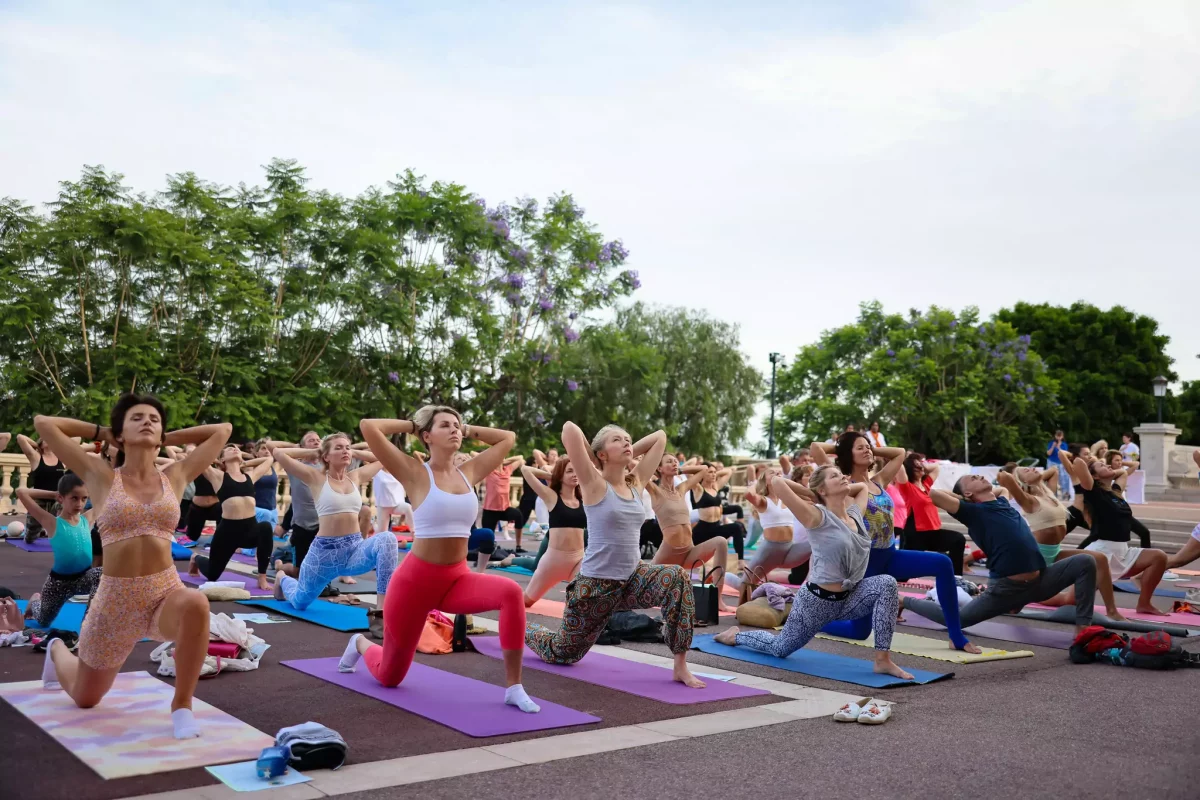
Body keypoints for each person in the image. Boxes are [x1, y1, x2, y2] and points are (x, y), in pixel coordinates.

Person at [34, 395, 228, 738]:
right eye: (136, 417)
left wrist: (166, 437)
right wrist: (104, 431)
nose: (147, 421)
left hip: (164, 592)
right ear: (120, 433)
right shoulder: (101, 476)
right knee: (85, 698)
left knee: (197, 602)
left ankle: (182, 705)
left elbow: (221, 430)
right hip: (114, 602)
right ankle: (56, 650)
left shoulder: (177, 475)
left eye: (154, 418)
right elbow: (44, 424)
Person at [341, 408, 538, 712]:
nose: (454, 430)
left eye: (457, 426)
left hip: (456, 580)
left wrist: (468, 428)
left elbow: (507, 439)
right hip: (413, 586)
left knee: (511, 593)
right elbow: (369, 426)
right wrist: (412, 425)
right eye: (445, 426)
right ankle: (360, 644)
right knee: (390, 677)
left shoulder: (468, 471)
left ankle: (514, 687)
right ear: (427, 437)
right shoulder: (414, 472)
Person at [526, 423, 704, 688]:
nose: (626, 442)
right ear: (601, 454)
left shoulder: (636, 482)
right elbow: (569, 430)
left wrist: (626, 451)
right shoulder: (593, 483)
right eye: (617, 440)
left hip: (633, 579)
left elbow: (660, 437)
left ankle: (680, 665)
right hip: (595, 587)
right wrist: (596, 459)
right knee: (564, 653)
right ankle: (525, 628)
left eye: (628, 439)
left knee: (676, 577)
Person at [714, 468, 913, 680]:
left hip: (848, 599)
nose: (844, 477)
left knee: (887, 583)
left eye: (842, 474)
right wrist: (813, 494)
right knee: (780, 648)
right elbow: (777, 483)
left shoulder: (855, 514)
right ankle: (736, 636)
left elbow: (862, 487)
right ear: (822, 489)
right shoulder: (815, 516)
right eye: (835, 476)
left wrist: (832, 488)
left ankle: (882, 660)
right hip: (815, 604)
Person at [816, 435, 974, 652]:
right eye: (860, 448)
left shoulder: (878, 481)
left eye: (868, 447)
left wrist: (870, 448)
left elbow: (899, 452)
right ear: (847, 454)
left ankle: (956, 636)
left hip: (890, 555)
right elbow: (816, 448)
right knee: (860, 632)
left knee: (943, 563)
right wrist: (842, 447)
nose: (867, 450)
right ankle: (816, 619)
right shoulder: (844, 485)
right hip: (866, 565)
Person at [902, 474, 1098, 636]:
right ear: (968, 493)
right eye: (972, 478)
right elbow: (934, 494)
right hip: (1007, 589)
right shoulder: (971, 511)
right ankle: (904, 601)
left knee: (1086, 561)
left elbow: (1002, 490)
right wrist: (964, 498)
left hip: (1040, 581)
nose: (979, 476)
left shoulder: (1002, 501)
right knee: (958, 620)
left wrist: (978, 492)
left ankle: (1083, 628)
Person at [269, 435, 395, 609]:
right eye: (338, 448)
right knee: (299, 602)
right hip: (323, 554)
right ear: (326, 457)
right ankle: (282, 578)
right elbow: (277, 451)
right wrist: (316, 451)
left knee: (388, 538)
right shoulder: (315, 477)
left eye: (347, 447)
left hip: (354, 551)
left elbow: (385, 457)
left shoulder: (355, 476)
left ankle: (382, 610)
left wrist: (354, 451)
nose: (345, 450)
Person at [997, 467, 1124, 620]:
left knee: (1100, 559)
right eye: (1026, 470)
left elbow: (1054, 471)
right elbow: (1003, 477)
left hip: (1054, 552)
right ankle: (1015, 598)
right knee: (1016, 604)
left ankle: (1112, 611)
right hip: (1036, 557)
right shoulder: (1027, 498)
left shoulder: (1048, 494)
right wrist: (1020, 480)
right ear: (1022, 481)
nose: (1032, 468)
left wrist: (1035, 478)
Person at [1072, 455, 1168, 615]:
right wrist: (1091, 459)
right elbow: (1077, 463)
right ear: (1094, 476)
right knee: (1069, 601)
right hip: (1101, 552)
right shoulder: (1093, 491)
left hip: (1123, 551)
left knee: (1159, 556)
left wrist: (1106, 469)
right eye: (1103, 466)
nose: (1109, 466)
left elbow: (1123, 474)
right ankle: (1033, 597)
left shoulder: (1116, 492)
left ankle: (1144, 604)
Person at [647, 454, 732, 612]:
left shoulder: (681, 489)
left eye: (675, 461)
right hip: (668, 555)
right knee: (644, 589)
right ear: (659, 468)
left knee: (721, 541)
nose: (674, 463)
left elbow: (703, 469)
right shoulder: (654, 490)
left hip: (689, 553)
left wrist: (678, 469)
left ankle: (718, 599)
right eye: (669, 462)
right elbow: (636, 470)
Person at [186, 447, 277, 591]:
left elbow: (269, 459)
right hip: (227, 534)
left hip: (250, 532)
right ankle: (196, 558)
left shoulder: (250, 476)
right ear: (222, 458)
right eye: (229, 448)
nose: (235, 449)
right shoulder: (217, 476)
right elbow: (195, 455)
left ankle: (262, 578)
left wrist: (244, 463)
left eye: (237, 449)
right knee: (212, 575)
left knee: (265, 527)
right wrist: (216, 460)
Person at [18, 476, 103, 628]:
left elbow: (109, 497)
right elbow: (21, 491)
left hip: (83, 578)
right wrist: (54, 494)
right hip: (58, 583)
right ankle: (35, 602)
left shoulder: (87, 519)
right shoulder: (51, 522)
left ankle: (88, 624)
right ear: (61, 498)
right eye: (74, 498)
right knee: (44, 621)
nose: (80, 504)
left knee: (101, 574)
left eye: (84, 499)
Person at [517, 458, 587, 606]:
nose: (575, 474)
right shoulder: (551, 496)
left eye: (576, 471)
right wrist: (554, 476)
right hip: (553, 562)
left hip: (579, 560)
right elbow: (525, 470)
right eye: (569, 471)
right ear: (561, 475)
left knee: (580, 604)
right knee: (526, 602)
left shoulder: (584, 498)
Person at [740, 464, 810, 599]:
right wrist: (755, 482)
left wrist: (783, 482)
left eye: (779, 473)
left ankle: (813, 586)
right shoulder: (763, 501)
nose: (777, 474)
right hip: (769, 551)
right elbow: (749, 494)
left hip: (789, 550)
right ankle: (721, 577)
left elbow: (808, 494)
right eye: (772, 473)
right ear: (765, 480)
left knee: (817, 544)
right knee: (745, 582)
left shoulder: (789, 499)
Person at [896, 454, 966, 575]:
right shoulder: (906, 487)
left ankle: (956, 578)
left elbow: (936, 467)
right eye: (917, 465)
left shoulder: (927, 484)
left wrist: (921, 465)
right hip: (915, 534)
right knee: (904, 574)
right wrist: (906, 458)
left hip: (933, 532)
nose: (921, 467)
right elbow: (899, 467)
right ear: (910, 469)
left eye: (921, 464)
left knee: (958, 540)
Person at [691, 463, 745, 567]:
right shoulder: (698, 488)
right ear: (702, 474)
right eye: (710, 472)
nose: (713, 474)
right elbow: (690, 474)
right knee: (690, 554)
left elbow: (729, 472)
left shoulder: (715, 487)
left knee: (736, 527)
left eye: (714, 472)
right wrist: (703, 471)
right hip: (703, 530)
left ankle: (741, 561)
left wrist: (714, 472)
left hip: (716, 528)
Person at [16, 434, 67, 543]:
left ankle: (58, 532)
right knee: (30, 538)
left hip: (57, 500)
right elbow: (20, 437)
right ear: (41, 444)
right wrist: (37, 445)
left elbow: (77, 439)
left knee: (64, 507)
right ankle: (37, 531)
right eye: (45, 439)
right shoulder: (36, 457)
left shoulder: (62, 458)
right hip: (39, 501)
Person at [482, 455, 527, 551]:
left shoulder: (508, 469)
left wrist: (504, 461)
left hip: (505, 509)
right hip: (490, 510)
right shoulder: (489, 470)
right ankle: (488, 550)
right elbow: (473, 454)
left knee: (518, 515)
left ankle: (518, 546)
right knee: (487, 540)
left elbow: (520, 458)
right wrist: (495, 459)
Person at [1046, 429, 1070, 500]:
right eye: (1057, 436)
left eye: (1060, 436)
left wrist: (1059, 447)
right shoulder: (1051, 443)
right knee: (1052, 478)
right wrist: (1053, 446)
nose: (1058, 438)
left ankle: (1065, 493)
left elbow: (1066, 454)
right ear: (1055, 436)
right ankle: (1053, 494)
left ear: (1062, 437)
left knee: (1064, 478)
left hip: (1061, 462)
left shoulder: (1064, 444)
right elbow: (1048, 453)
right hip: (1052, 462)